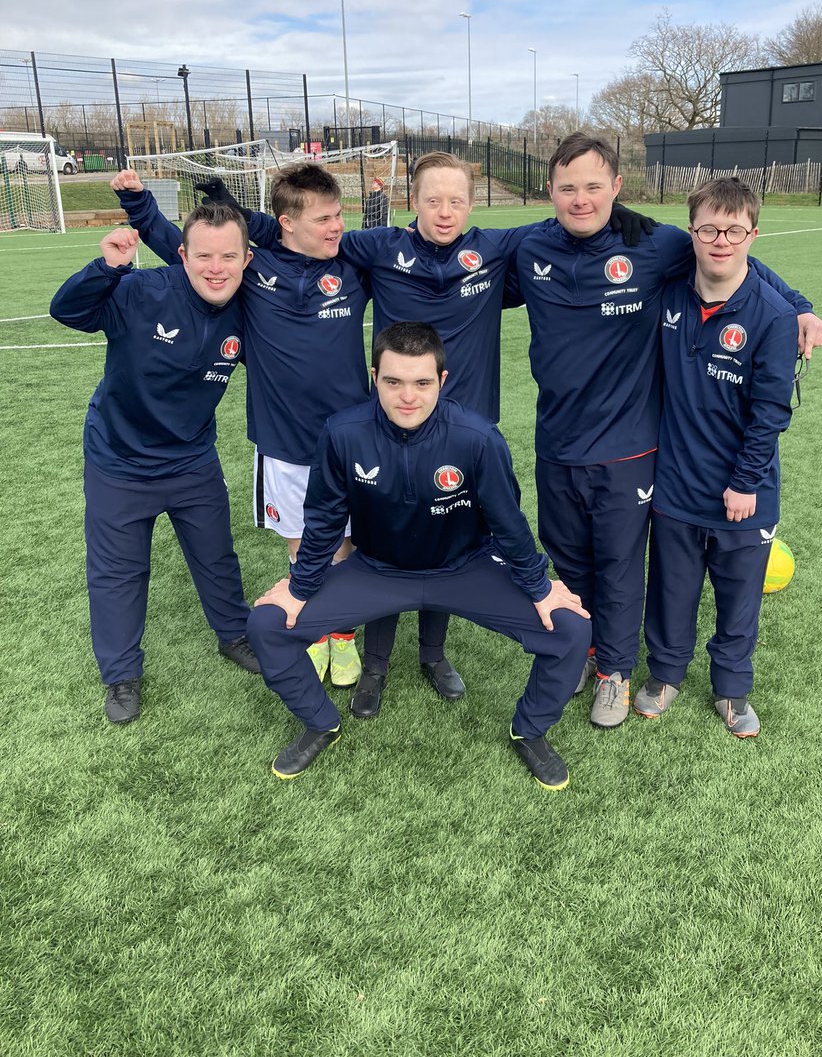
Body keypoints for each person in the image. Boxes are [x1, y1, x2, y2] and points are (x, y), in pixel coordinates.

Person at [239, 151, 653, 718]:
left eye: (456, 200)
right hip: (392, 423)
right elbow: (301, 228)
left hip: (467, 436)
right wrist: (251, 217)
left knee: (450, 543)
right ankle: (377, 666)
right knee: (385, 544)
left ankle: (433, 655)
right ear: (413, 202)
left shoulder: (498, 247)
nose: (445, 211)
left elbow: (575, 216)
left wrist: (617, 208)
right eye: (432, 200)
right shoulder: (376, 246)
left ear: (471, 203)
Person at [509, 133, 822, 729]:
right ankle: (588, 649)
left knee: (624, 568)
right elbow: (453, 261)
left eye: (594, 186)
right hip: (557, 442)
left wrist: (799, 305)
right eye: (569, 187)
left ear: (616, 188)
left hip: (630, 448)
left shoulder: (657, 245)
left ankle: (619, 673)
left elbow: (736, 257)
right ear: (549, 190)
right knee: (571, 559)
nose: (582, 199)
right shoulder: (527, 246)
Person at [248, 322, 592, 790]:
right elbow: (324, 519)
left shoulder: (477, 438)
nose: (407, 396)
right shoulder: (342, 433)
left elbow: (507, 522)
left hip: (464, 568)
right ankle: (320, 722)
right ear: (375, 378)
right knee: (267, 622)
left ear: (442, 382)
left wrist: (539, 587)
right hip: (377, 570)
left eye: (421, 382)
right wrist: (299, 587)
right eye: (393, 382)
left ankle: (530, 731)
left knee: (571, 628)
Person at [111, 165, 371, 690]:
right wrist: (139, 206)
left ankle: (343, 635)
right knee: (301, 542)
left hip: (351, 438)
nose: (336, 226)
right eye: (324, 218)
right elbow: (188, 251)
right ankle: (315, 633)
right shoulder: (254, 269)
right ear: (285, 225)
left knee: (345, 541)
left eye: (338, 215)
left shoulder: (355, 264)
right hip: (284, 442)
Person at [49, 209, 258, 724]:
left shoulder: (249, 308)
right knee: (118, 573)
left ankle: (234, 635)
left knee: (215, 556)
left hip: (191, 459)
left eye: (228, 256)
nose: (216, 268)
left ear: (246, 259)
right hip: (118, 460)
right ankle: (121, 675)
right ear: (182, 256)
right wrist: (107, 268)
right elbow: (66, 311)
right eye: (203, 256)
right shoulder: (140, 292)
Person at [634, 178, 798, 736]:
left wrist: (746, 483)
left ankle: (731, 689)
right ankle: (664, 675)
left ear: (753, 234)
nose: (720, 241)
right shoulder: (670, 293)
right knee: (670, 591)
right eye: (708, 229)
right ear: (693, 233)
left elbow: (771, 412)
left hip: (742, 494)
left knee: (738, 598)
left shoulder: (774, 316)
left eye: (733, 230)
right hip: (676, 484)